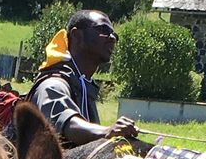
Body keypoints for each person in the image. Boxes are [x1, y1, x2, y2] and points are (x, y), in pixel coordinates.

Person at [30, 10, 138, 146]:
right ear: (77, 35)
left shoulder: (84, 85)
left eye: (114, 34)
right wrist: (107, 130)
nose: (112, 38)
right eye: (103, 30)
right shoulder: (53, 84)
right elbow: (68, 125)